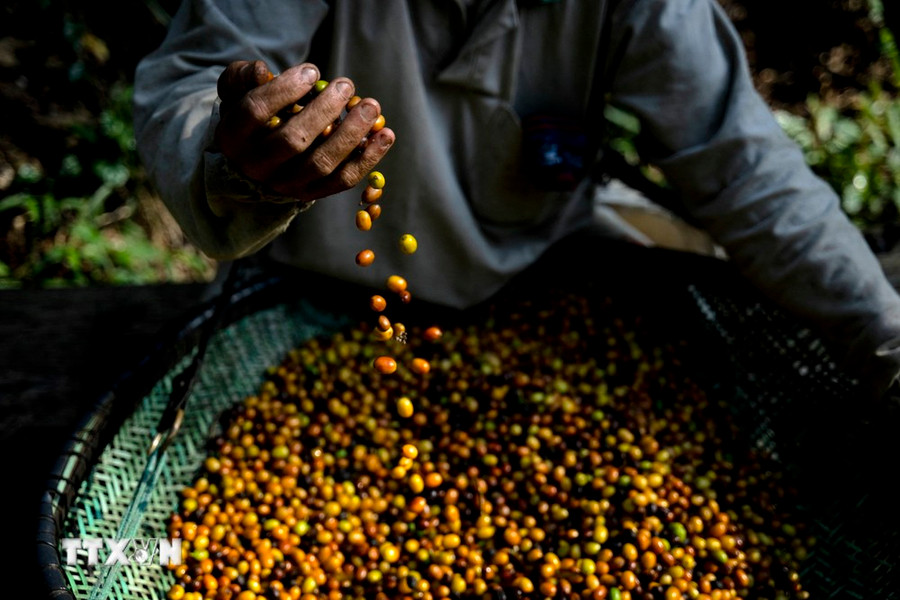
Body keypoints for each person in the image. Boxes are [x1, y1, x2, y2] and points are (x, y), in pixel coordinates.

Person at [133, 0, 900, 403]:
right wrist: (236, 160)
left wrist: (885, 338)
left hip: (537, 285)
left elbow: (750, 177)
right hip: (310, 302)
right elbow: (197, 79)